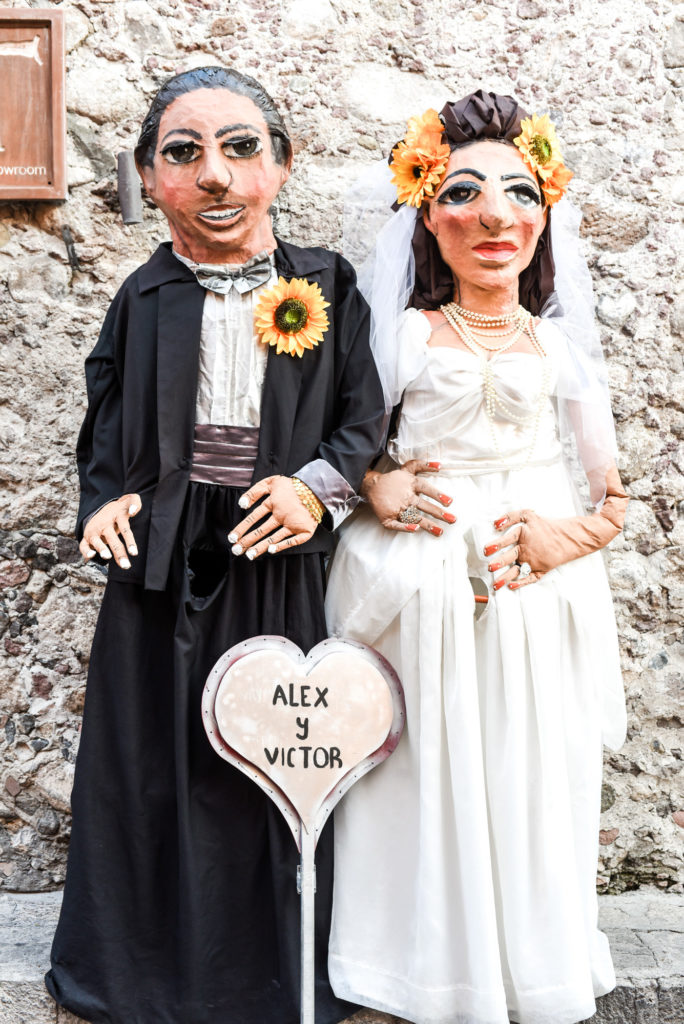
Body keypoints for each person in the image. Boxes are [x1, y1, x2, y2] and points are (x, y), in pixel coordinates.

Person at [45, 66, 384, 1024]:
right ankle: (142, 972)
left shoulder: (323, 283)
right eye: (183, 153)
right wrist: (103, 500)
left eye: (240, 148)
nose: (216, 176)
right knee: (154, 759)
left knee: (275, 756)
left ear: (281, 164)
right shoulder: (142, 295)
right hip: (160, 565)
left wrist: (316, 490)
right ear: (151, 178)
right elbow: (104, 426)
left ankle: (273, 972)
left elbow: (362, 418)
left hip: (275, 558)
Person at [325, 91, 628, 1024]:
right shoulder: (407, 333)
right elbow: (352, 441)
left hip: (537, 588)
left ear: (545, 217)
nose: (495, 216)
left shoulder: (561, 348)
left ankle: (531, 971)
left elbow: (613, 494)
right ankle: (408, 975)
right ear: (426, 216)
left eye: (520, 194)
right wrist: (375, 481)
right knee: (421, 773)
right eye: (462, 193)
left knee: (532, 771)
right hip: (421, 583)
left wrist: (569, 534)